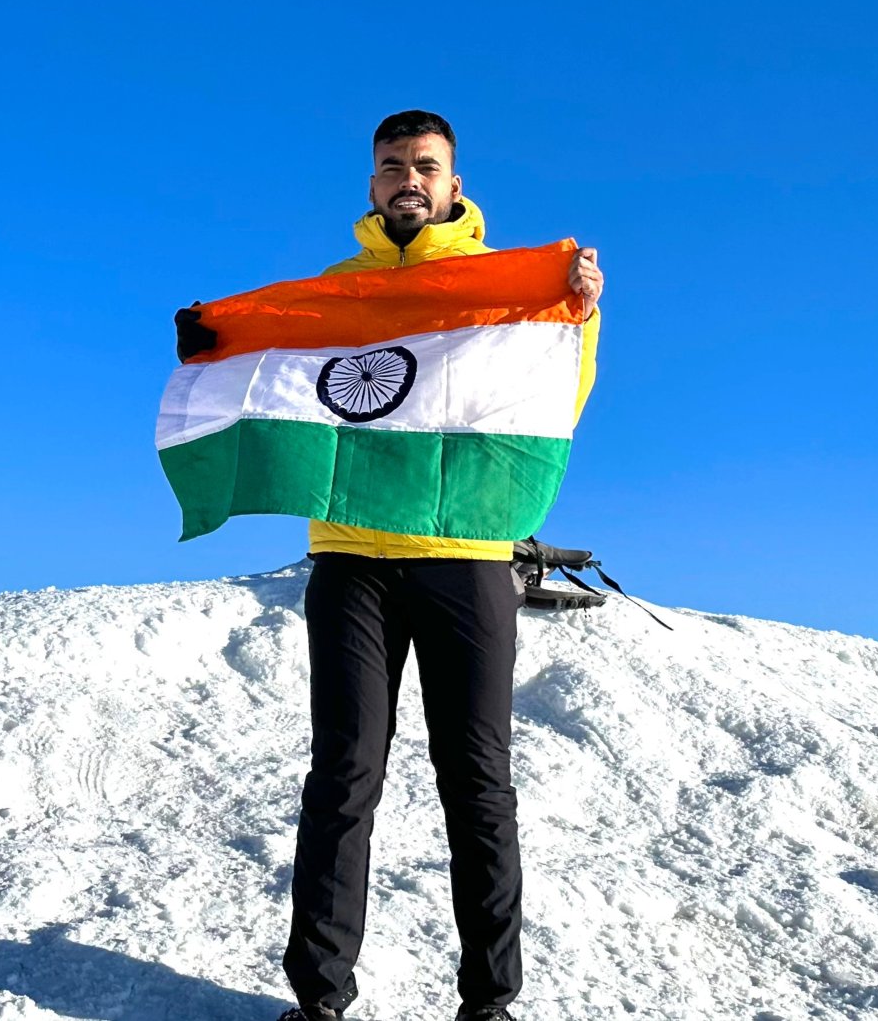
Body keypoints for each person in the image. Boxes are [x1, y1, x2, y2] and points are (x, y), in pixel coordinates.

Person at [178, 110, 602, 1021]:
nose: (407, 179)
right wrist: (220, 340)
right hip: (350, 562)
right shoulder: (337, 291)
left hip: (465, 558)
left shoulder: (500, 284)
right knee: (343, 776)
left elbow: (553, 393)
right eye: (390, 167)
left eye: (425, 166)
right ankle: (319, 1001)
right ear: (370, 184)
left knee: (478, 782)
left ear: (453, 182)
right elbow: (278, 371)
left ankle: (491, 1004)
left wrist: (578, 312)